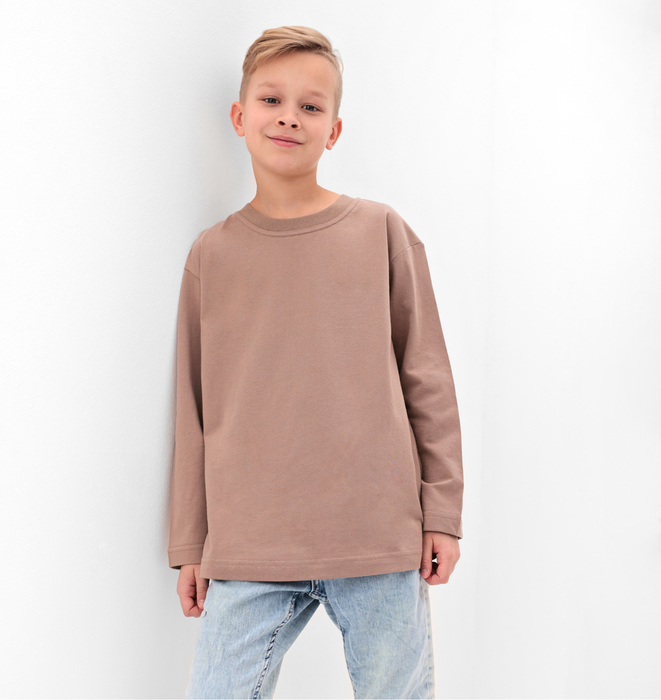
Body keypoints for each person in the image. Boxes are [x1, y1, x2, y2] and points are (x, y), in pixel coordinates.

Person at [168, 25, 464, 699]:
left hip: (377, 534)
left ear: (334, 130)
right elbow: (193, 406)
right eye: (271, 100)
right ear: (240, 116)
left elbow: (428, 379)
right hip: (250, 543)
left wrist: (441, 512)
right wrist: (190, 543)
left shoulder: (380, 231)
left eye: (310, 106)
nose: (289, 117)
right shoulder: (212, 255)